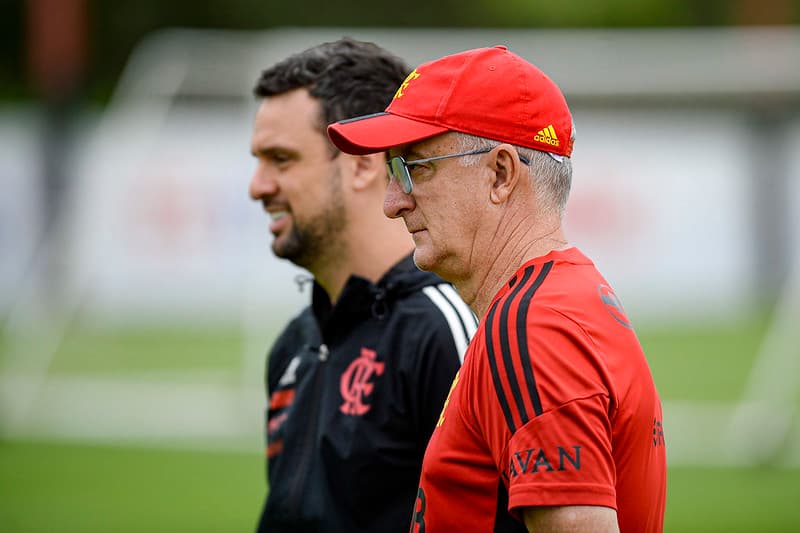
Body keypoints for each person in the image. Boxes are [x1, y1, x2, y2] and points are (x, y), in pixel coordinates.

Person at [328, 45, 667, 532]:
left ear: (500, 174)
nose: (392, 203)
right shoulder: (563, 298)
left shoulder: (533, 327)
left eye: (414, 167)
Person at [248, 38, 478, 533]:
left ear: (363, 161)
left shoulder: (443, 333)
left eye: (281, 159)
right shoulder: (294, 344)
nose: (258, 186)